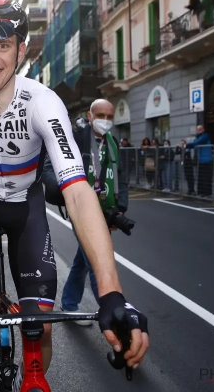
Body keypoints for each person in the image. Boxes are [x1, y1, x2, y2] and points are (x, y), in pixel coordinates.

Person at [0, 0, 149, 392]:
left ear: (20, 51)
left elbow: (78, 193)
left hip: (27, 207)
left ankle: (30, 378)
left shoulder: (43, 102)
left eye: (3, 45)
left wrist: (111, 293)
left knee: (40, 328)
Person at [59, 99, 127, 326]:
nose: (105, 121)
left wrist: (119, 209)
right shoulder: (77, 139)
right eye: (100, 116)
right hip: (82, 210)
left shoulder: (113, 142)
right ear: (90, 116)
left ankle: (69, 304)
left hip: (106, 210)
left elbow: (121, 176)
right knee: (96, 261)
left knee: (83, 260)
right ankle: (115, 317)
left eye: (109, 117)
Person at [183, 125, 213, 197]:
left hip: (207, 160)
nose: (199, 130)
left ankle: (207, 193)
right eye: (197, 129)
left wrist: (186, 145)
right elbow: (194, 144)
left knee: (206, 177)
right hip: (200, 160)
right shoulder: (197, 138)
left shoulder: (205, 136)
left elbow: (197, 143)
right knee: (201, 177)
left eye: (200, 129)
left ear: (204, 129)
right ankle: (201, 192)